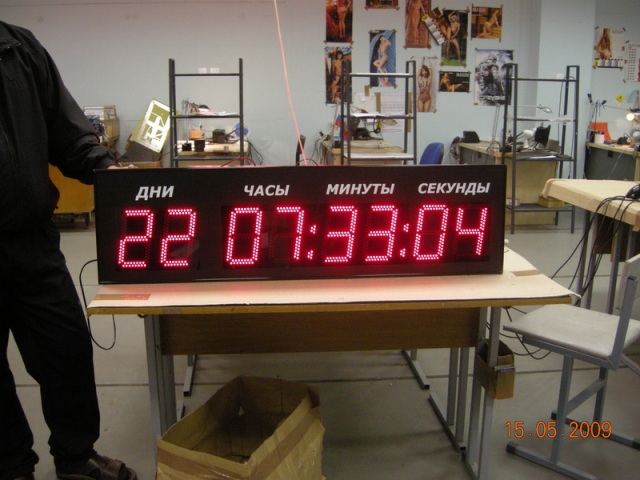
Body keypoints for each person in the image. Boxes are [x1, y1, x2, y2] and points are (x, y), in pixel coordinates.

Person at [0, 21, 137, 480]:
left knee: (66, 350)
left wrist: (105, 169)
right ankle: (10, 465)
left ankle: (76, 456)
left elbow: (67, 130)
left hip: (31, 240)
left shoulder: (18, 48)